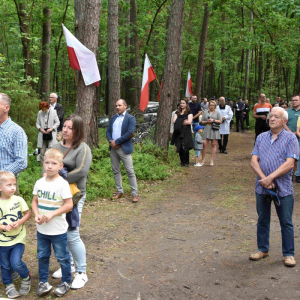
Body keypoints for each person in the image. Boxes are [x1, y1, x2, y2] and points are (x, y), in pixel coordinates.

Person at [250, 107, 299, 267]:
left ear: (284, 121)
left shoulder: (291, 139)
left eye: (276, 117)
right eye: (271, 116)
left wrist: (270, 177)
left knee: (286, 221)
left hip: (283, 187)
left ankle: (289, 254)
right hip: (262, 187)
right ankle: (263, 249)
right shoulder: (261, 137)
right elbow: (253, 161)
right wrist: (264, 180)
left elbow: (290, 163)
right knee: (262, 219)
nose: (271, 119)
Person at [51, 115, 92, 289]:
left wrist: (58, 177)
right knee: (60, 233)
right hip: (56, 197)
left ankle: (81, 272)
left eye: (70, 127)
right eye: (64, 127)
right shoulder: (56, 147)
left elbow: (81, 171)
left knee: (72, 234)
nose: (65, 130)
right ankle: (68, 265)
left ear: (77, 131)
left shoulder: (82, 148)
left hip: (75, 197)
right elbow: (47, 166)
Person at [32, 148, 73, 297]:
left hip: (58, 230)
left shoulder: (62, 184)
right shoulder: (39, 182)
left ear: (60, 166)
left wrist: (52, 213)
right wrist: (36, 214)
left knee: (62, 257)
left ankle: (66, 281)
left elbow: (69, 205)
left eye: (54, 163)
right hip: (42, 230)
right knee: (42, 256)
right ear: (43, 163)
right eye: (47, 163)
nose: (50, 166)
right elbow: (34, 201)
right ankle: (43, 282)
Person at [0, 171, 31, 298]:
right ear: (0, 187)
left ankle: (26, 277)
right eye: (9, 185)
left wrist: (19, 222)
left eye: (14, 184)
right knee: (5, 265)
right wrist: (3, 227)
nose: (13, 187)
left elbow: (28, 214)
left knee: (15, 262)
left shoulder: (18, 200)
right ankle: (8, 285)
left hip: (18, 239)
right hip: (2, 241)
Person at [106, 99, 138, 202]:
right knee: (116, 170)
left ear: (125, 106)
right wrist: (111, 141)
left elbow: (130, 133)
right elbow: (108, 131)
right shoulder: (113, 118)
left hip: (124, 148)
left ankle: (135, 194)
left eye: (119, 105)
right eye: (116, 105)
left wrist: (117, 142)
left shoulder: (130, 118)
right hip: (113, 148)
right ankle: (120, 191)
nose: (117, 107)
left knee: (130, 171)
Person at [0, 93, 27, 181]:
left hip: (7, 185)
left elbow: (21, 162)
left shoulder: (16, 131)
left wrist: (2, 174)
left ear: (6, 108)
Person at [171, 99, 194, 167]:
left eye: (183, 103)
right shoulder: (177, 112)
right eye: (181, 103)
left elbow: (189, 122)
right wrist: (183, 121)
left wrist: (180, 121)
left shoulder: (189, 112)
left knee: (186, 147)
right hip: (179, 131)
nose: (182, 104)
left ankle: (187, 162)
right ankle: (182, 162)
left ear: (186, 104)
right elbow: (174, 121)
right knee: (180, 147)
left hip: (186, 131)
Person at [200, 100, 222, 166]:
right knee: (204, 144)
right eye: (210, 105)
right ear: (208, 105)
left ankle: (211, 160)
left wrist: (213, 120)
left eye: (213, 105)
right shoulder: (205, 112)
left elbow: (220, 121)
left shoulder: (217, 112)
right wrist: (207, 122)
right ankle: (203, 160)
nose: (211, 106)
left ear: (215, 106)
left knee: (214, 144)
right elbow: (201, 122)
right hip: (207, 128)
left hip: (214, 129)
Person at [285, 95, 300, 182]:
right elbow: (283, 123)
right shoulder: (287, 112)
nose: (294, 102)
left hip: (299, 136)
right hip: (288, 136)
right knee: (289, 155)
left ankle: (298, 174)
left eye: (296, 100)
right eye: (292, 100)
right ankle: (288, 173)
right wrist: (291, 133)